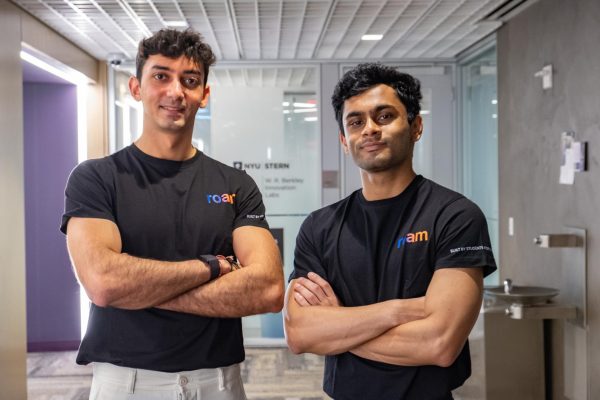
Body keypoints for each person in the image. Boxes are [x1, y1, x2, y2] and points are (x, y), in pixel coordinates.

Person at [61, 29, 284, 400]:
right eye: (161, 76)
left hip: (218, 382)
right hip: (126, 382)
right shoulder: (96, 178)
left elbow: (268, 290)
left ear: (204, 95)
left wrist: (137, 291)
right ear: (136, 87)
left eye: (190, 80)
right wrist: (213, 267)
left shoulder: (236, 184)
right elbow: (102, 282)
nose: (175, 91)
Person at [283, 63, 496, 400]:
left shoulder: (455, 216)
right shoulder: (320, 227)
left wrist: (338, 325)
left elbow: (440, 343)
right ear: (344, 140)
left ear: (416, 126)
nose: (369, 129)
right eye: (355, 122)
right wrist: (399, 311)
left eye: (384, 116)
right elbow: (300, 334)